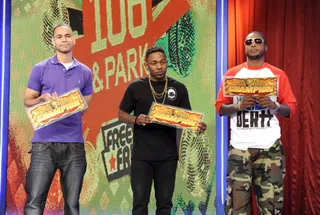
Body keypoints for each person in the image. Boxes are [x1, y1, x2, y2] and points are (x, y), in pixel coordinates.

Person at [118, 46, 207, 215]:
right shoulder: (136, 87)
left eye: (162, 62)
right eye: (154, 63)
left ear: (167, 63)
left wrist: (197, 126)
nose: (159, 66)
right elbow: (121, 114)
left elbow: (187, 119)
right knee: (140, 203)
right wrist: (136, 119)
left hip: (168, 157)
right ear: (146, 66)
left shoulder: (179, 88)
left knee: (165, 205)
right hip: (141, 157)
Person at [216, 31, 297, 215]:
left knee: (271, 208)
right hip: (239, 148)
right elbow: (220, 108)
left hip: (270, 149)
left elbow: (291, 108)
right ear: (245, 47)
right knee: (237, 208)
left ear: (265, 47)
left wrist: (274, 105)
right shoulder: (233, 74)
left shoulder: (277, 75)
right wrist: (238, 106)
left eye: (258, 41)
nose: (253, 44)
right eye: (249, 42)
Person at [23, 23, 92, 215]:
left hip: (74, 145)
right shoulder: (40, 68)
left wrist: (68, 105)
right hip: (44, 143)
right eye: (59, 36)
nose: (64, 39)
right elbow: (27, 101)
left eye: (67, 36)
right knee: (35, 201)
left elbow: (84, 109)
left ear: (74, 39)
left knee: (72, 205)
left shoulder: (85, 72)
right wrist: (42, 99)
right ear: (53, 41)